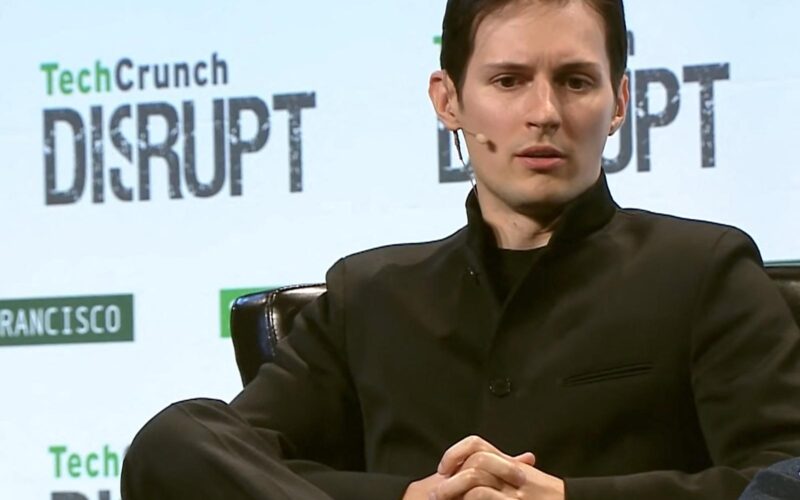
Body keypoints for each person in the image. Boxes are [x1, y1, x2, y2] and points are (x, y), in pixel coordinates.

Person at [121, 0, 800, 499]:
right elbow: (211, 457)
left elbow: (784, 473)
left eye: (576, 81)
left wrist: (570, 499)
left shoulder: (702, 270)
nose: (544, 112)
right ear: (448, 101)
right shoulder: (370, 295)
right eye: (508, 81)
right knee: (176, 436)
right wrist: (407, 498)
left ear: (619, 102)